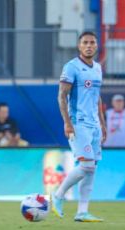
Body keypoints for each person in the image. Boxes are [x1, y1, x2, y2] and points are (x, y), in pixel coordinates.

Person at [51, 31, 106, 222]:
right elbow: (61, 96)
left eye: (92, 42)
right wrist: (67, 122)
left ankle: (82, 211)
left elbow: (97, 98)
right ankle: (58, 195)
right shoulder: (72, 67)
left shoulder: (98, 68)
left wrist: (103, 124)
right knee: (86, 165)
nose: (89, 45)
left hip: (94, 125)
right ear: (79, 46)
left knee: (93, 167)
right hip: (78, 123)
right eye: (85, 42)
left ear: (97, 46)